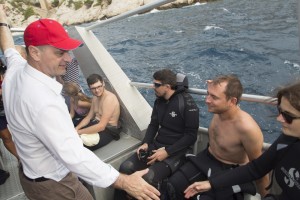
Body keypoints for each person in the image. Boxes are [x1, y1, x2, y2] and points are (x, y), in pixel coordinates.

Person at [0, 6, 160, 200]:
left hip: (29, 174)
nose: (68, 59)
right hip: (55, 186)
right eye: (60, 53)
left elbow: (8, 49)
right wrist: (126, 182)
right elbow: (74, 156)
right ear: (34, 52)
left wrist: (2, 23)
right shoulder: (44, 102)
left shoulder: (14, 72)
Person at [184, 81, 300, 200]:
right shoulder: (287, 140)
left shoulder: (247, 128)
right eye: (280, 111)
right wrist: (211, 183)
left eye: (289, 116)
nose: (279, 118)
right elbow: (256, 169)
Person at [167, 75, 269, 200]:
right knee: (172, 186)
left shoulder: (247, 129)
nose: (207, 100)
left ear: (232, 101)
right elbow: (224, 87)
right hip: (207, 158)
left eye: (214, 97)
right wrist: (215, 85)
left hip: (230, 170)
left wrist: (267, 197)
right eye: (208, 94)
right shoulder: (219, 111)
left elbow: (259, 169)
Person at [114, 69, 199, 199]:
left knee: (149, 177)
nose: (153, 87)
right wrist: (146, 143)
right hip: (156, 145)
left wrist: (167, 152)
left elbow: (191, 136)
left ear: (167, 86)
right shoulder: (158, 101)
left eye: (157, 85)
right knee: (125, 168)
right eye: (154, 84)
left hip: (176, 152)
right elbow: (153, 125)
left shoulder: (187, 104)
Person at [75, 74, 121, 151]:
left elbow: (101, 126)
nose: (96, 90)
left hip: (107, 130)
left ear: (103, 83)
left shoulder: (109, 99)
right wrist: (76, 129)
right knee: (72, 127)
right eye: (93, 88)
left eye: (99, 86)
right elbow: (88, 117)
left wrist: (78, 132)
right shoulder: (95, 98)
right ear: (89, 88)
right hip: (96, 123)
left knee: (77, 143)